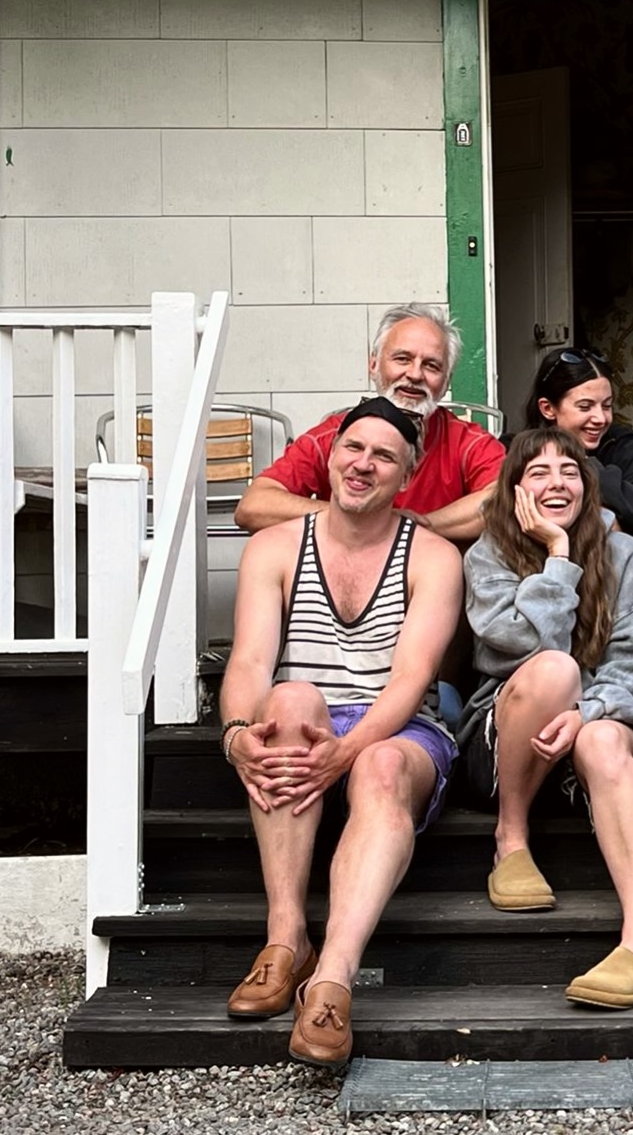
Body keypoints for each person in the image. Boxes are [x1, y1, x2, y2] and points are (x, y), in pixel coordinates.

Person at [220, 398, 463, 1066]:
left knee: (381, 766)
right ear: (330, 457)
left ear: (407, 476)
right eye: (354, 448)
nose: (363, 465)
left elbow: (412, 680)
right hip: (308, 727)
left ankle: (331, 978)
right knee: (288, 700)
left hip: (400, 730)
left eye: (384, 456)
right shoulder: (274, 547)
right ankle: (285, 937)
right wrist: (236, 735)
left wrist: (349, 751)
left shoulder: (434, 556)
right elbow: (249, 662)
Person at [458, 426, 633, 1009]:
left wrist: (587, 712)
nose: (557, 483)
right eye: (539, 473)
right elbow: (524, 646)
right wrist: (558, 556)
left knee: (604, 742)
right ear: (515, 488)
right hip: (508, 743)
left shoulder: (626, 554)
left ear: (587, 484)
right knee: (554, 670)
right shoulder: (487, 554)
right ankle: (512, 839)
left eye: (570, 471)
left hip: (595, 724)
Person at [234, 303, 505, 543]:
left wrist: (416, 525)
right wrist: (361, 516)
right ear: (373, 365)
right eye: (402, 359)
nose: (414, 374)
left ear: (446, 383)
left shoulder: (467, 441)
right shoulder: (334, 434)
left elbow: (505, 501)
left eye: (431, 366)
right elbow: (254, 506)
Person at [523, 346, 633, 548]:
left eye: (607, 406)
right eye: (585, 407)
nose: (600, 418)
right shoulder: (518, 450)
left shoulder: (622, 443)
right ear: (548, 408)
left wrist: (585, 464)